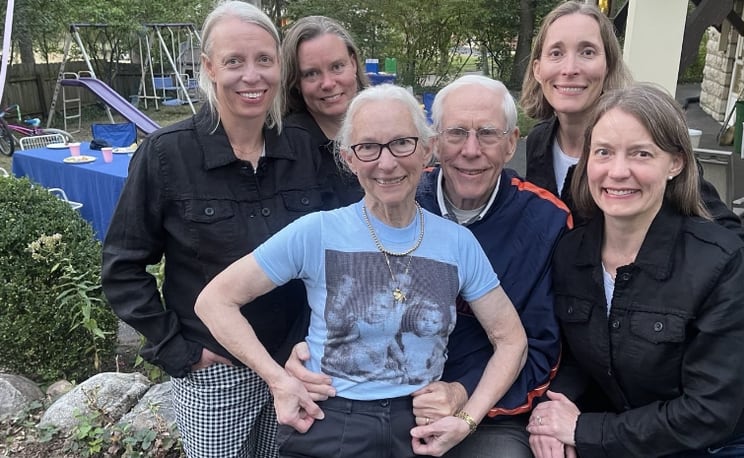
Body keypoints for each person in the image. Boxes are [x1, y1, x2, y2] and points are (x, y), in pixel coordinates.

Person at [195, 83, 528, 458]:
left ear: (427, 149)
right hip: (331, 422)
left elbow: (511, 340)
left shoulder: (457, 243)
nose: (386, 163)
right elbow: (215, 301)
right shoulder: (316, 232)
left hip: (421, 425)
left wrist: (467, 418)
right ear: (348, 158)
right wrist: (277, 380)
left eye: (402, 143)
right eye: (368, 147)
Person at [101, 2, 358, 456]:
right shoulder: (166, 155)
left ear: (280, 67)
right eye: (234, 61)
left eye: (264, 59)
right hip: (215, 368)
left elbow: (350, 234)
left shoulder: (304, 148)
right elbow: (123, 267)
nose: (251, 76)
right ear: (208, 67)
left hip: (296, 360)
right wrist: (180, 351)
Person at [284, 75, 571, 457]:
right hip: (387, 402)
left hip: (490, 405)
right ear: (432, 144)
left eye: (487, 133)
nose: (471, 150)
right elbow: (326, 288)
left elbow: (537, 344)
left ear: (510, 143)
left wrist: (464, 394)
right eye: (456, 133)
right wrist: (298, 359)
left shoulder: (546, 221)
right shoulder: (395, 190)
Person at [527, 83, 744, 458]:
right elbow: (580, 354)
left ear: (675, 163)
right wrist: (552, 413)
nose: (618, 171)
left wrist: (584, 429)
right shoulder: (571, 254)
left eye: (641, 154)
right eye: (603, 152)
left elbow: (708, 411)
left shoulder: (718, 260)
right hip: (648, 434)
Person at [519, 0, 744, 390]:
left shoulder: (643, 140)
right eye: (556, 52)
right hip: (577, 335)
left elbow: (728, 235)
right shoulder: (540, 142)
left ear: (609, 65)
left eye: (587, 52)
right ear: (538, 67)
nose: (570, 67)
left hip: (648, 347)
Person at [280, 15, 368, 204]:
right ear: (296, 81)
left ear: (353, 64)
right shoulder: (286, 150)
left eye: (337, 67)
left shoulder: (384, 126)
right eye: (311, 73)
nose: (328, 83)